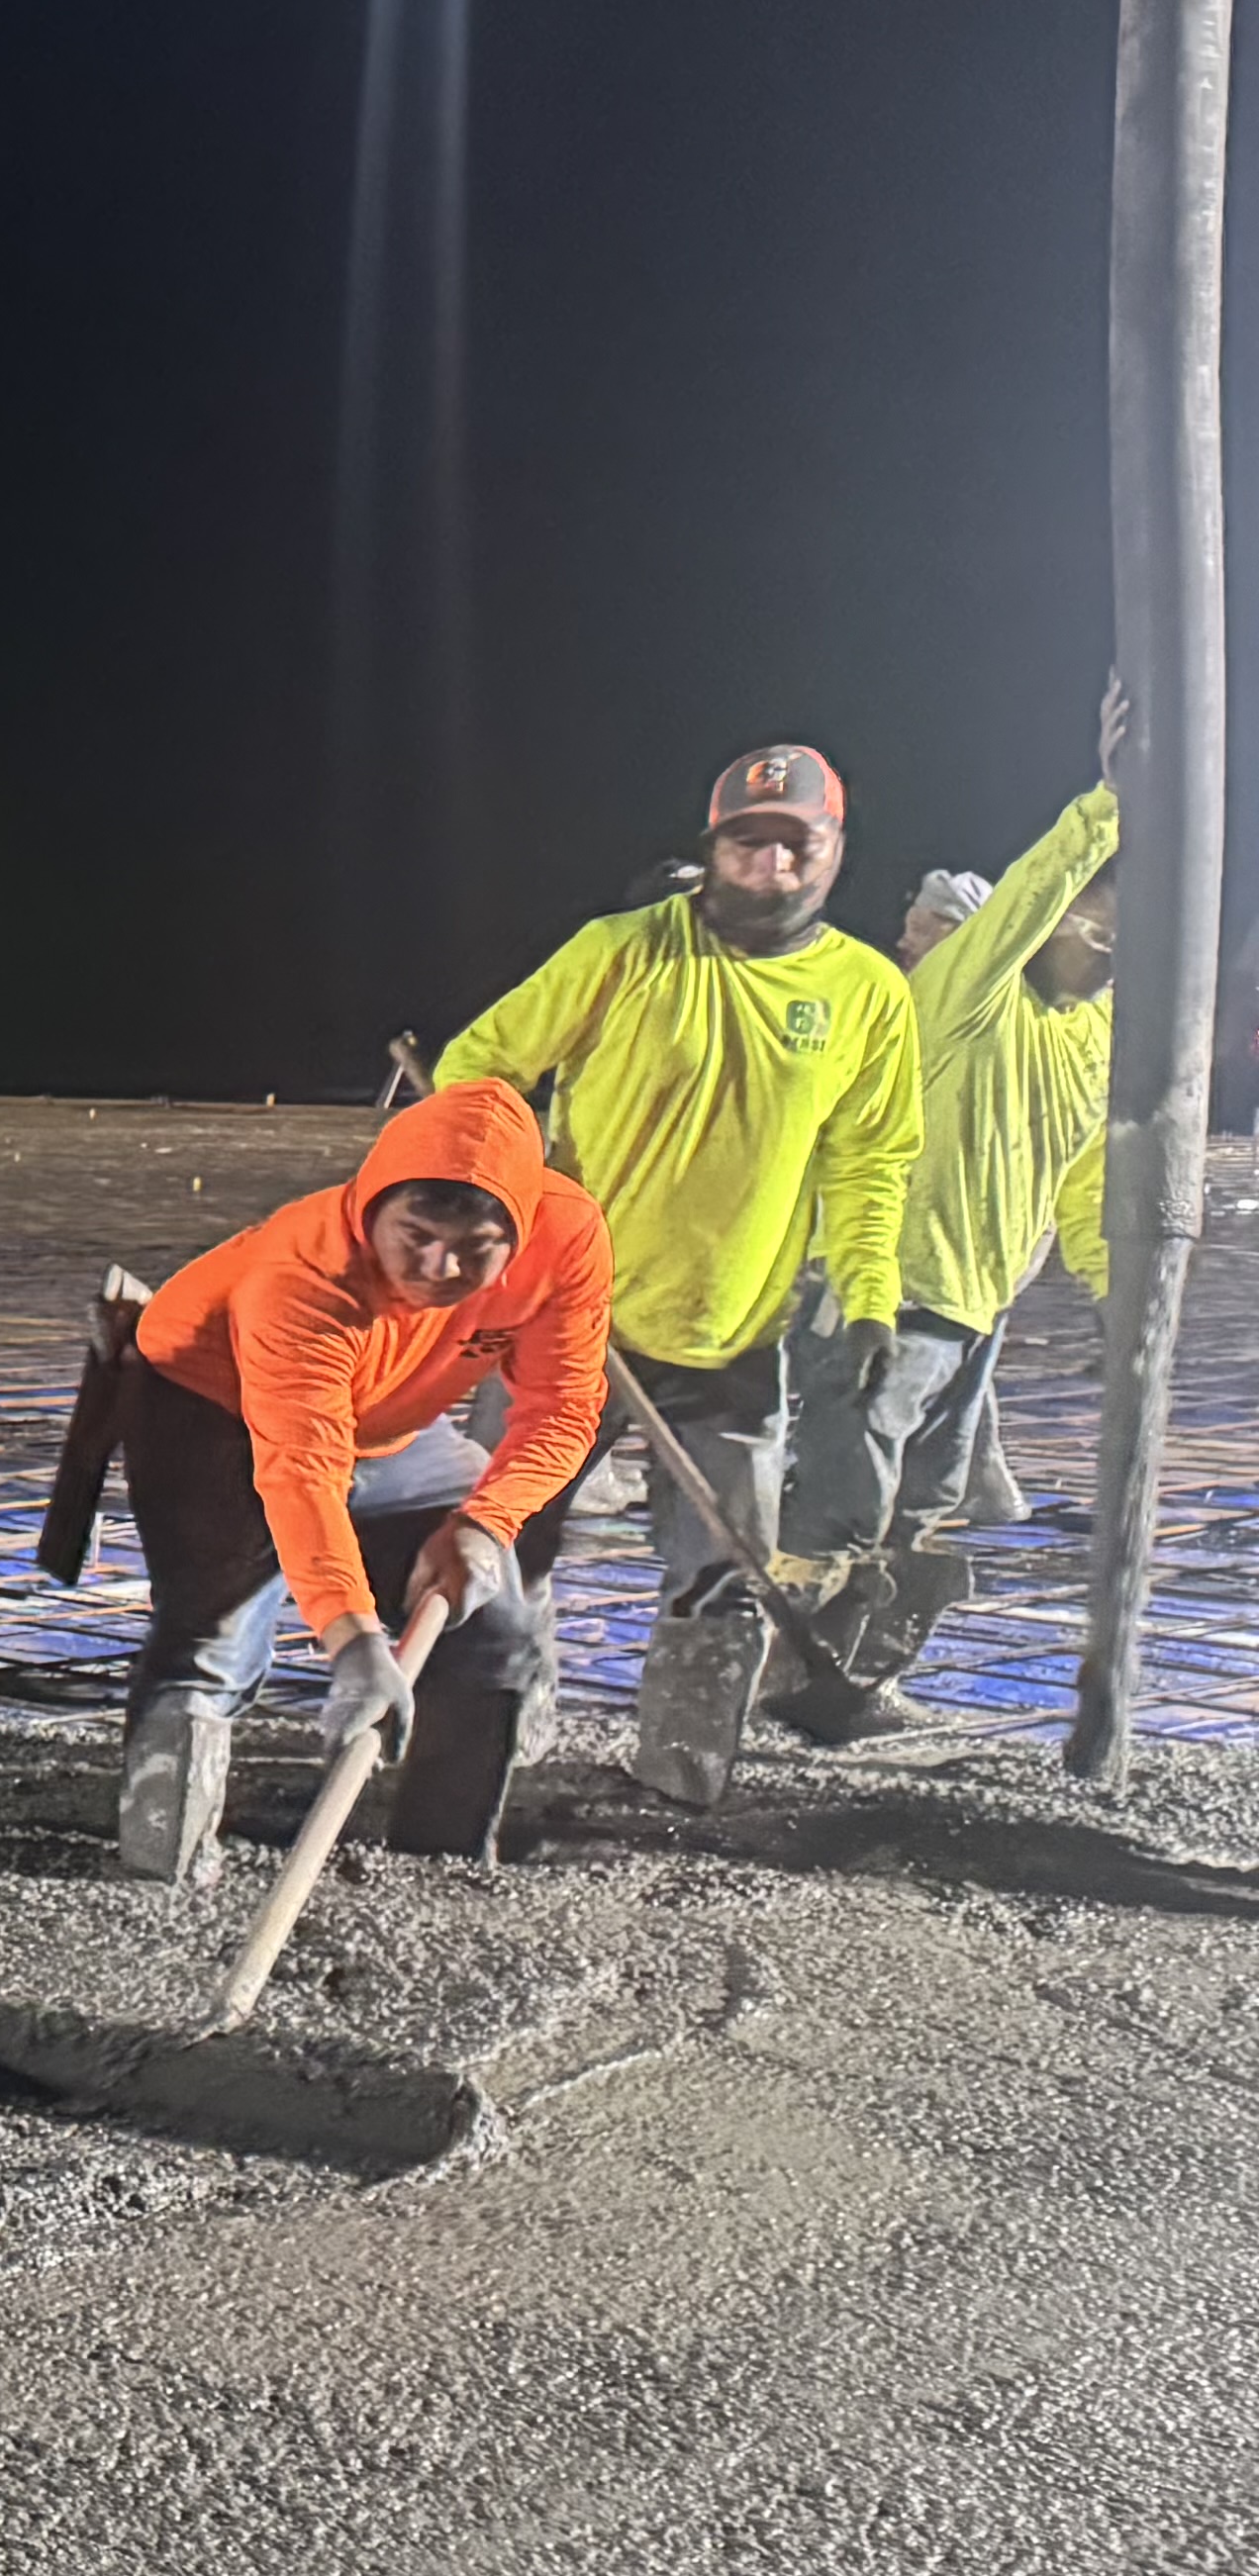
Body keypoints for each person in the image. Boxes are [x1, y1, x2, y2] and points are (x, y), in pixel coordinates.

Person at [433, 738, 921, 1796]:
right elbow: (477, 1067)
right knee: (503, 1540)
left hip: (734, 1334)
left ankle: (681, 1778)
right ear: (712, 846)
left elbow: (870, 1160)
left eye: (796, 845)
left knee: (723, 1573)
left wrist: (870, 1298)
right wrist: (504, 1198)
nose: (771, 866)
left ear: (836, 850)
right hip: (561, 1321)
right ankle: (487, 1749)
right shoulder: (622, 951)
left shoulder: (867, 994)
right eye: (748, 842)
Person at [109, 1077, 611, 1882]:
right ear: (372, 1207)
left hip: (386, 1421)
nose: (439, 1266)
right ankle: (161, 1863)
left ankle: (443, 1861)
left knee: (495, 1621)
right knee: (217, 1631)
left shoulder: (568, 1234)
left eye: (475, 1247)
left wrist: (485, 1523)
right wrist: (353, 1641)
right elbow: (301, 1468)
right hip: (213, 1401)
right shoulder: (304, 1270)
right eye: (416, 1235)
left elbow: (562, 1407)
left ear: (519, 1232)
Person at [787, 683, 1122, 1668]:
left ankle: (864, 1672)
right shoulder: (965, 996)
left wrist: (1118, 1294)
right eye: (1092, 933)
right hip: (887, 1290)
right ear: (1044, 928)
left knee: (927, 1502)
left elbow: (1086, 1179)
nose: (1105, 956)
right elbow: (1027, 892)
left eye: (1120, 946)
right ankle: (789, 1664)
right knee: (845, 1494)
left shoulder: (1094, 1037)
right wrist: (1110, 804)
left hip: (981, 1305)